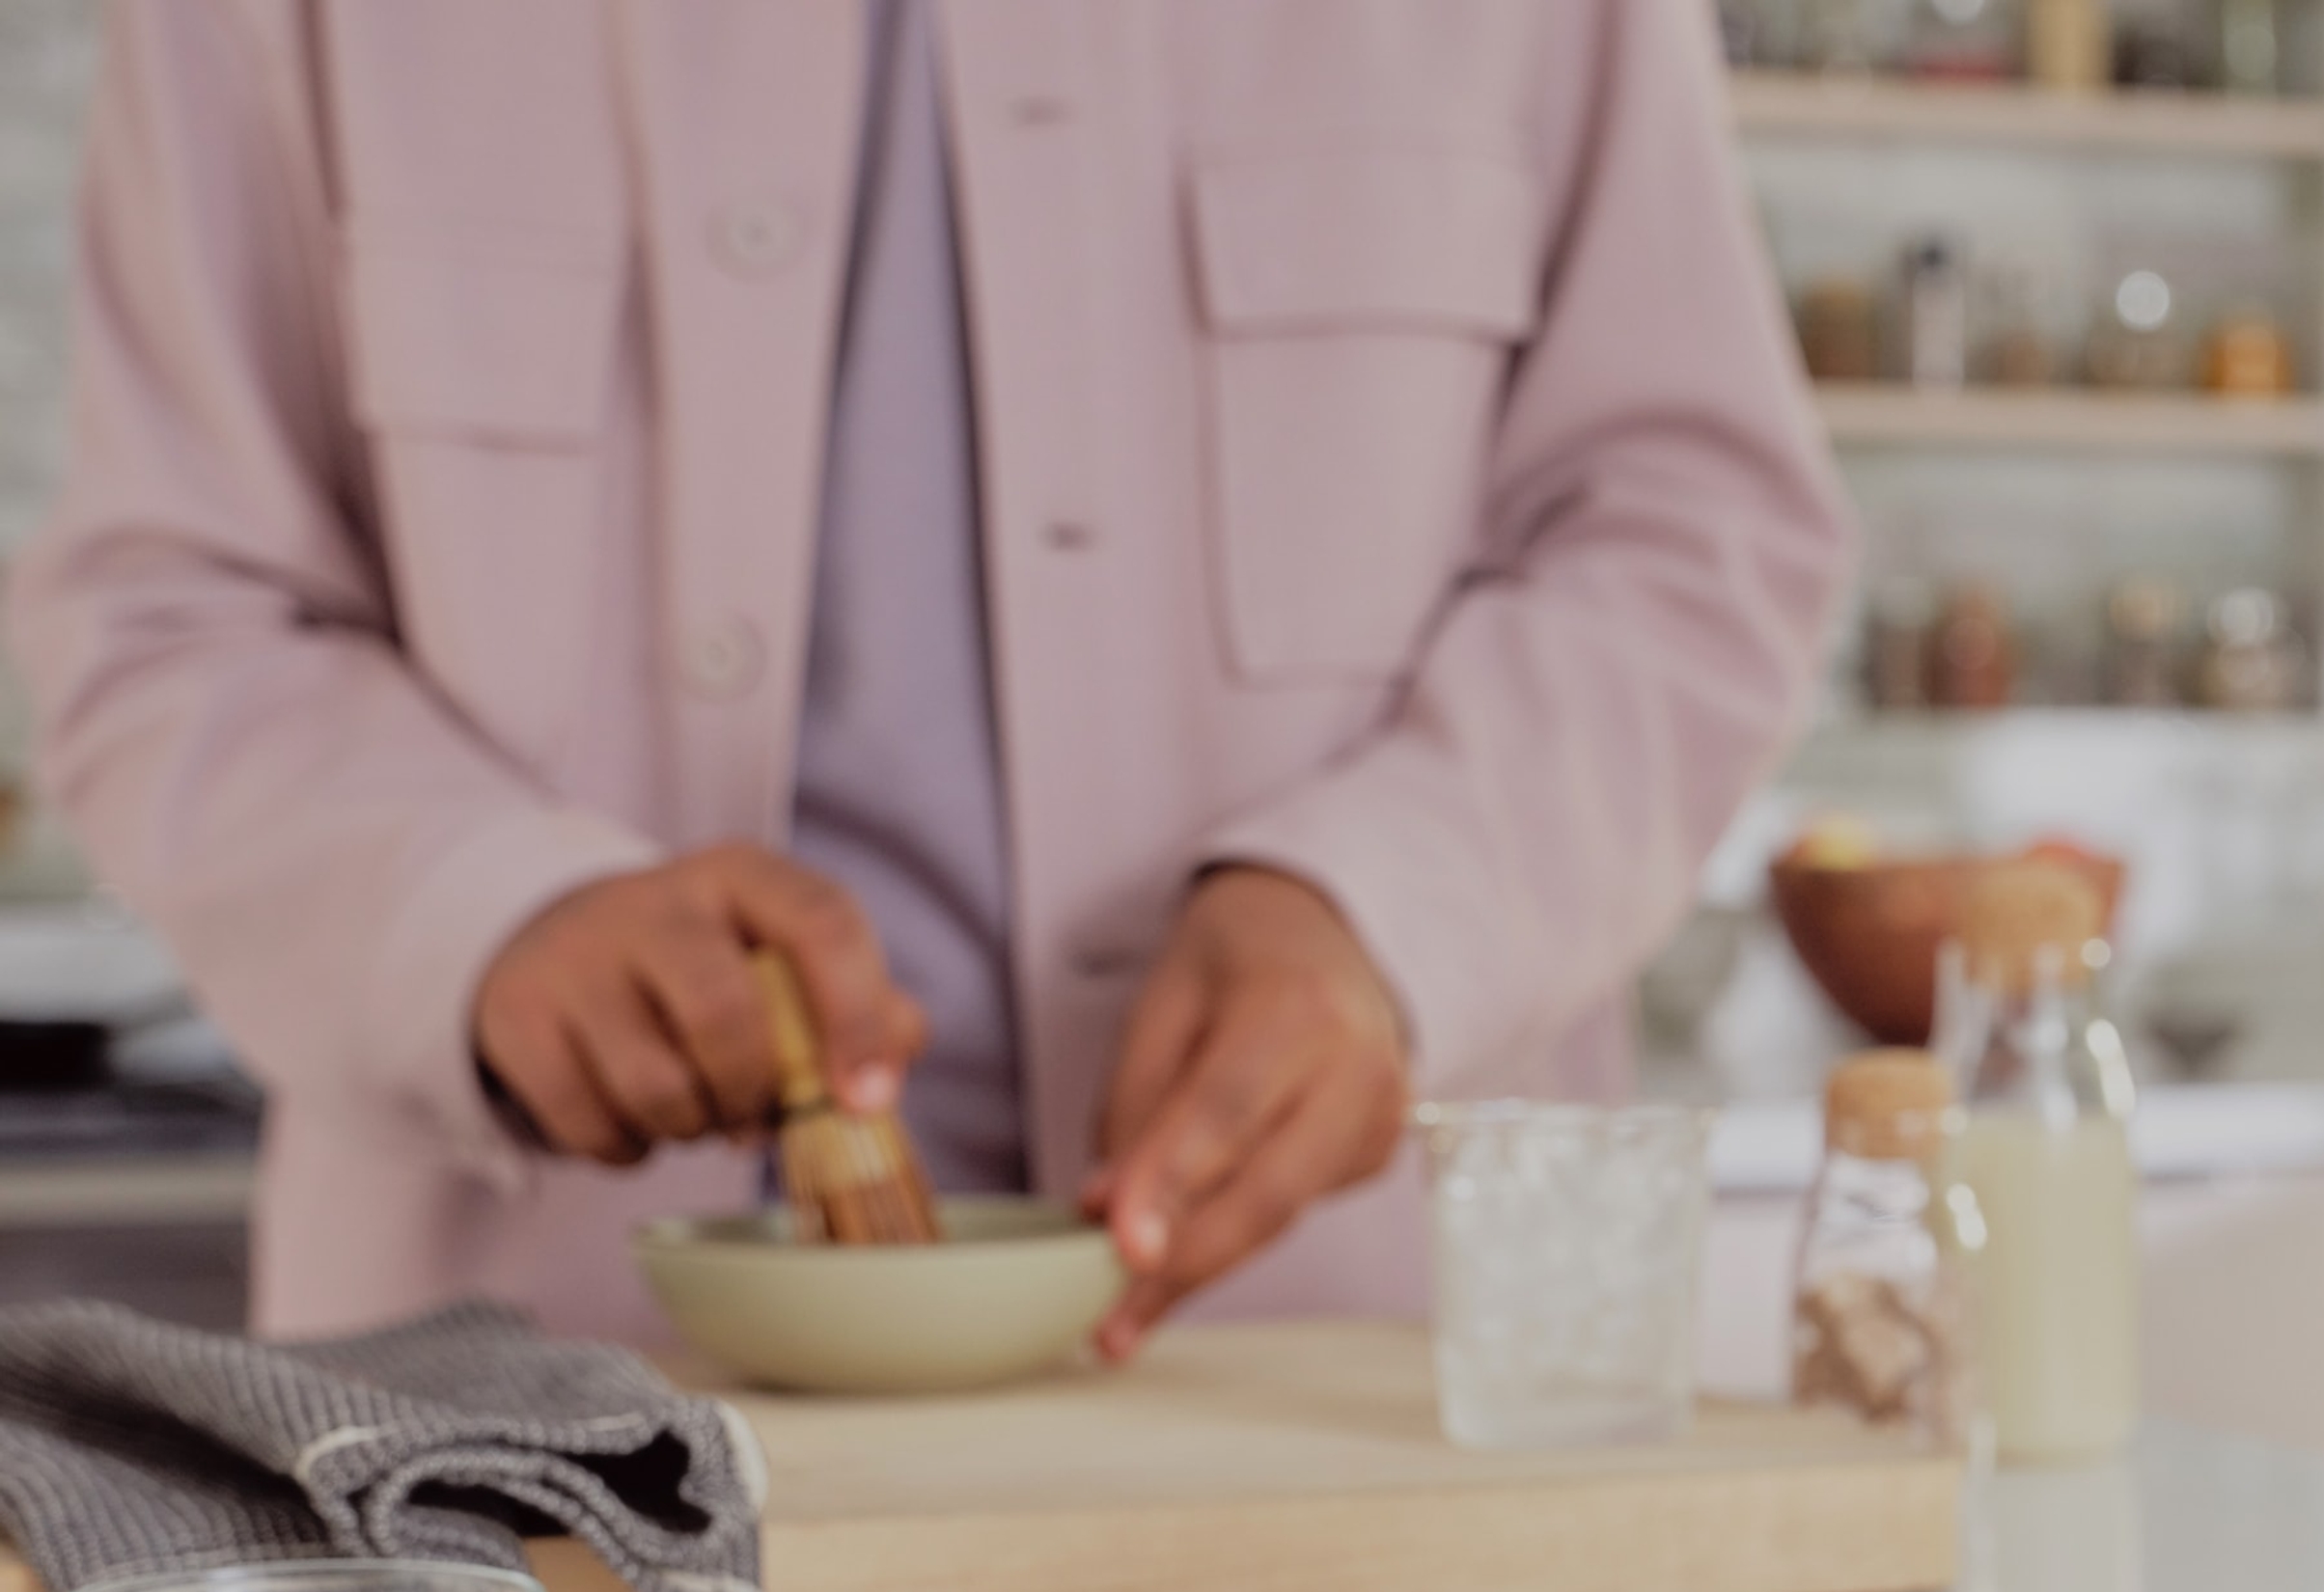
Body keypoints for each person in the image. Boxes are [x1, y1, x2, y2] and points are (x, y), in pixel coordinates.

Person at [7, 1, 1848, 1351]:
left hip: (1335, 1403)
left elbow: (1691, 533)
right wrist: (480, 921)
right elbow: (169, 611)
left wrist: (1383, 911)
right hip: (522, 1441)